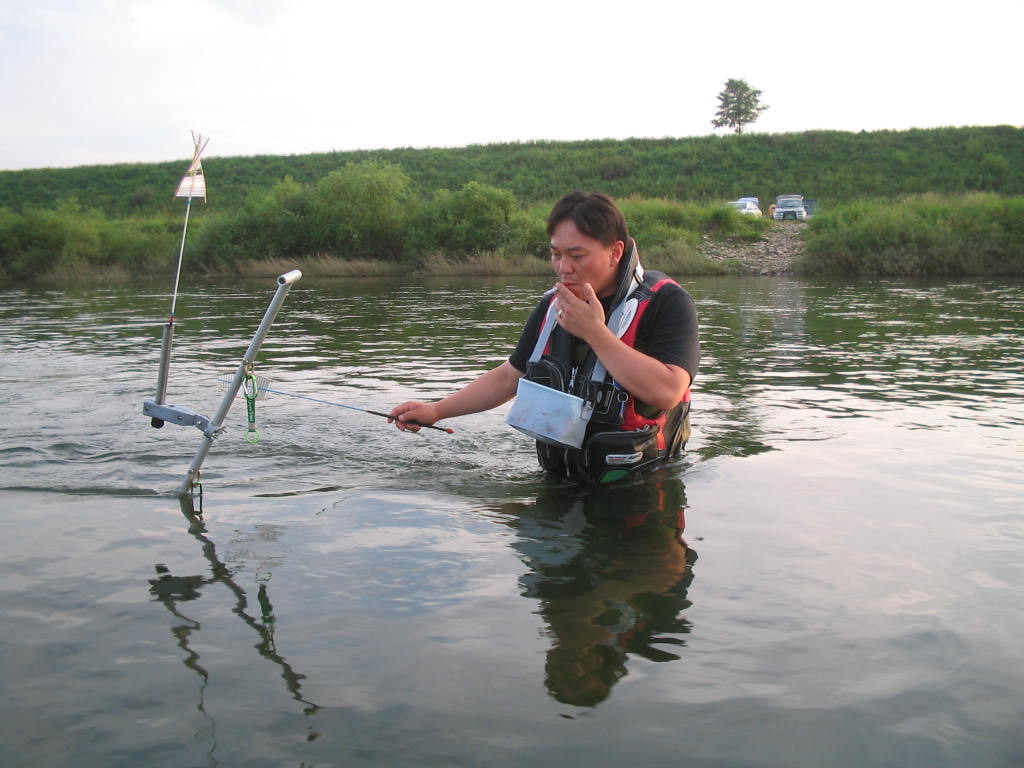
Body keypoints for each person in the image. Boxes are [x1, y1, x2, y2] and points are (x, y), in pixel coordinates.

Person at [389, 191, 700, 483]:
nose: (564, 268)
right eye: (556, 254)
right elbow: (511, 375)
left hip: (646, 484)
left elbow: (668, 391)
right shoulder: (553, 304)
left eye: (577, 255)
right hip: (561, 481)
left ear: (615, 252)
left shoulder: (668, 302)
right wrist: (436, 410)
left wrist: (594, 331)